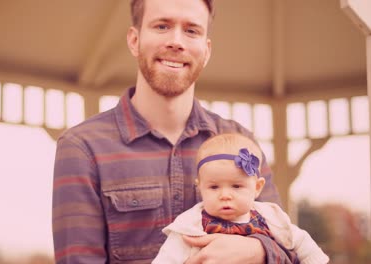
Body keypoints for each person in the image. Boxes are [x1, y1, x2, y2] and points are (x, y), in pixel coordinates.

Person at [52, 0, 294, 263]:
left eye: (191, 31)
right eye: (162, 26)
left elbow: (291, 248)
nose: (176, 41)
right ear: (134, 40)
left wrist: (256, 251)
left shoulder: (241, 140)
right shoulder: (83, 147)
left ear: (206, 49)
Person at [152, 133, 329, 264]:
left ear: (257, 188)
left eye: (236, 186)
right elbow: (167, 258)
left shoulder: (270, 217)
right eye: (214, 187)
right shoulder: (190, 225)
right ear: (200, 188)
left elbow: (301, 242)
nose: (225, 195)